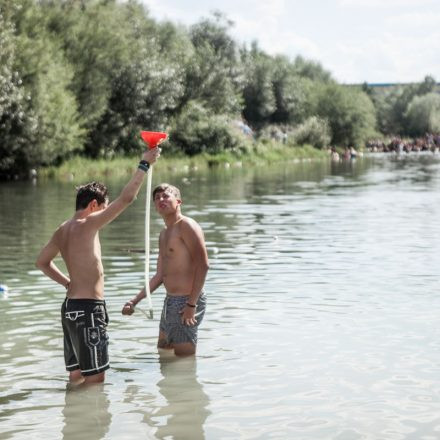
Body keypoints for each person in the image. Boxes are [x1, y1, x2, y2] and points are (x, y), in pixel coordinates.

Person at [35, 147, 161, 386]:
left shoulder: (61, 230)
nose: (105, 213)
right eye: (104, 208)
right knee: (95, 381)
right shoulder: (89, 223)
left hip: (69, 308)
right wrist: (144, 164)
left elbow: (42, 262)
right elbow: (127, 198)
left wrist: (67, 283)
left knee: (76, 375)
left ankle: (72, 419)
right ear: (94, 205)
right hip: (88, 310)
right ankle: (93, 422)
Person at [122, 183, 209, 357]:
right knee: (164, 350)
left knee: (183, 359)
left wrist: (191, 304)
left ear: (178, 201)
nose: (161, 199)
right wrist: (134, 301)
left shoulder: (187, 226)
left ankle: (184, 384)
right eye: (157, 198)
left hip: (186, 301)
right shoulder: (164, 233)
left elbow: (203, 265)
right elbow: (160, 275)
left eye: (166, 196)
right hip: (170, 301)